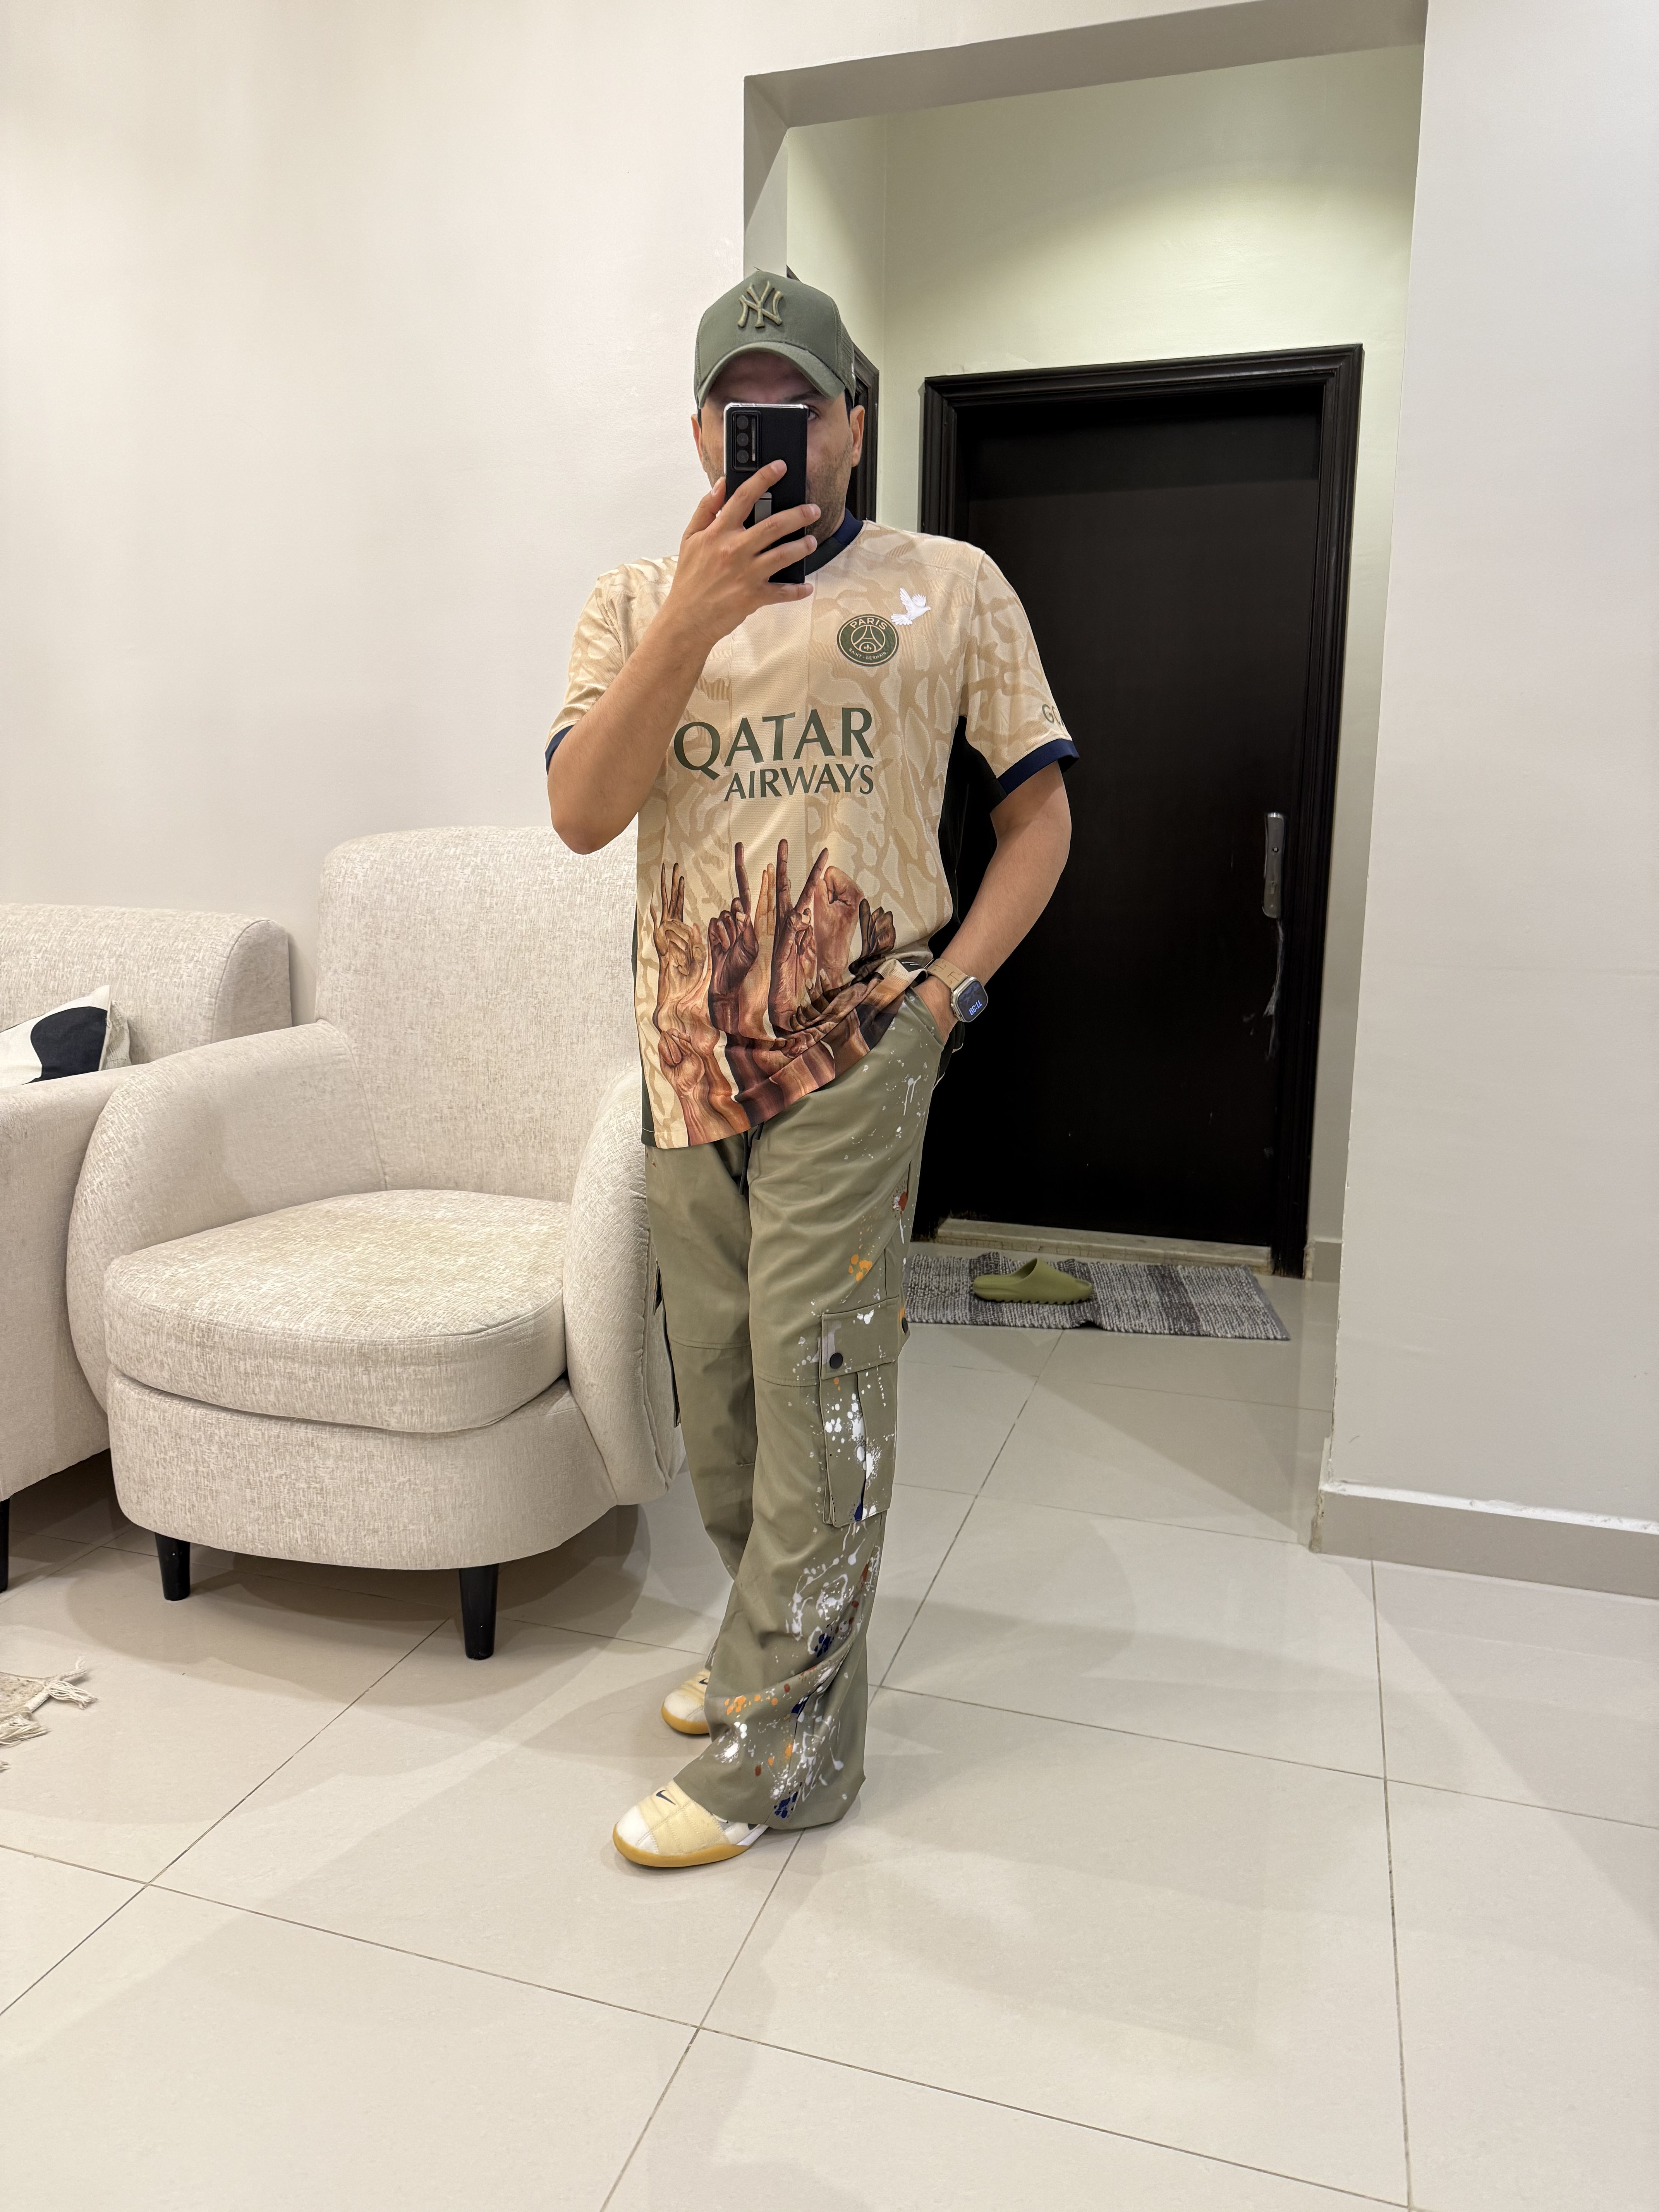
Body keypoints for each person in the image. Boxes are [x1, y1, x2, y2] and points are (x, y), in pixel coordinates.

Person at [547, 269, 1073, 1870]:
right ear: (700, 431)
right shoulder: (634, 603)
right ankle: (762, 1648)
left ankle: (787, 1757)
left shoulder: (949, 587)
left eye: (800, 405)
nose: (768, 432)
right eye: (738, 407)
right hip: (685, 1055)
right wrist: (698, 614)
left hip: (857, 1043)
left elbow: (1039, 820)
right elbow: (582, 813)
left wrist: (942, 1007)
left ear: (852, 421)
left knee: (817, 1378)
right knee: (718, 1398)